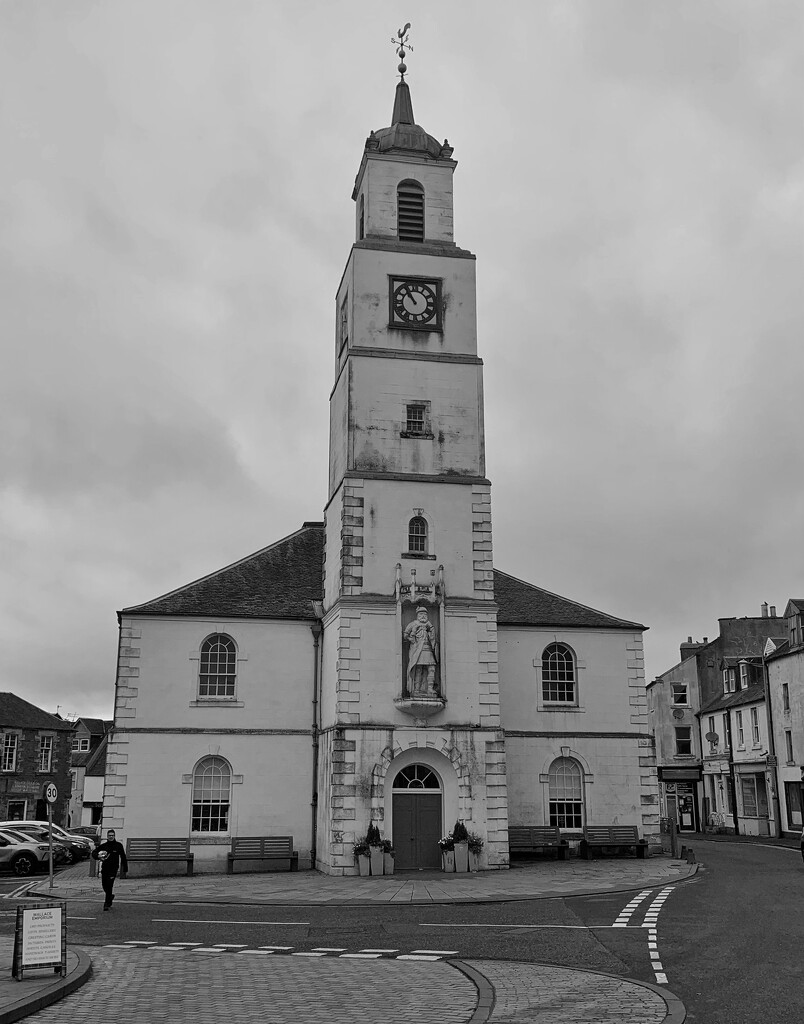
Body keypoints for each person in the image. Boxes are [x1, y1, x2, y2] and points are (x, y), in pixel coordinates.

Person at [403, 605, 438, 695]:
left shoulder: (429, 625)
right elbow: (405, 635)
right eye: (421, 614)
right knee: (418, 669)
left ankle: (430, 689)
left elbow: (433, 637)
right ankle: (416, 690)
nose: (423, 616)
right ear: (417, 615)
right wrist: (412, 639)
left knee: (431, 668)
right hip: (417, 650)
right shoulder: (413, 624)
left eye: (425, 614)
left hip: (428, 649)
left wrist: (431, 628)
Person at [92, 829, 128, 911]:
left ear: (114, 836)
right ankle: (110, 896)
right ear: (107, 836)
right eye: (109, 835)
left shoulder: (118, 845)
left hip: (113, 869)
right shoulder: (104, 846)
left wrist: (125, 868)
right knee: (104, 885)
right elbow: (94, 852)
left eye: (112, 835)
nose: (111, 837)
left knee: (109, 885)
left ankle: (106, 903)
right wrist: (98, 856)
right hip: (105, 868)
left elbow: (123, 856)